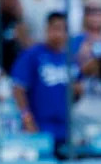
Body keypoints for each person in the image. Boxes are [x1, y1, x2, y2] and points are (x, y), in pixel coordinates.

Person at [11, 12, 72, 153]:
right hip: (40, 125)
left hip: (65, 128)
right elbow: (18, 88)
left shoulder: (69, 58)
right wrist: (27, 119)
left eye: (62, 29)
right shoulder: (33, 55)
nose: (58, 33)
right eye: (55, 28)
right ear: (47, 30)